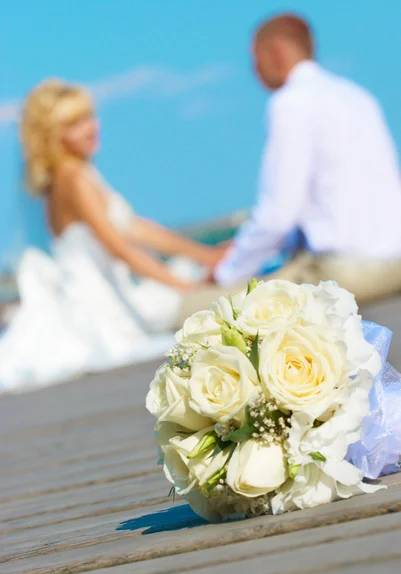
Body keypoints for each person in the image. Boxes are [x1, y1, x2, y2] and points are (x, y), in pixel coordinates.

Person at [0, 79, 224, 393]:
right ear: (54, 135)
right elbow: (119, 245)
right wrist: (184, 287)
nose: (92, 127)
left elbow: (135, 228)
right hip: (95, 300)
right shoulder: (73, 177)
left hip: (107, 289)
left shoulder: (74, 173)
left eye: (89, 117)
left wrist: (206, 255)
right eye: (75, 123)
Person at [180, 13, 401, 321]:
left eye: (255, 59)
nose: (253, 70)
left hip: (347, 274)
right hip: (395, 262)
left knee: (192, 310)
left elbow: (277, 216)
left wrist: (226, 272)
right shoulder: (357, 96)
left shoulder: (291, 102)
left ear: (276, 53)